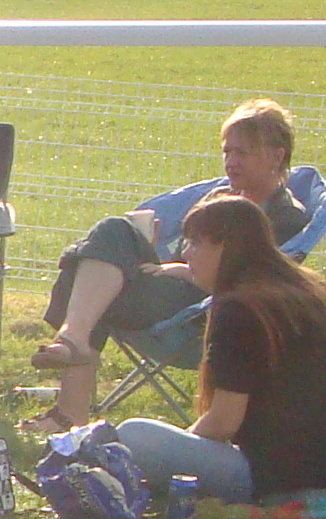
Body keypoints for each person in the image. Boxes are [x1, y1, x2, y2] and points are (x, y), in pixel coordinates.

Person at [31, 98, 310, 424]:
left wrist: (182, 271)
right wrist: (153, 250)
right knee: (109, 243)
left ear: (276, 156)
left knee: (91, 271)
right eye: (227, 151)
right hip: (171, 287)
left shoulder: (284, 217)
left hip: (199, 310)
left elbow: (254, 283)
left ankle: (70, 400)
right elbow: (188, 251)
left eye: (242, 153)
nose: (231, 161)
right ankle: (73, 347)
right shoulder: (220, 197)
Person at [91, 191, 326, 504]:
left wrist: (183, 449)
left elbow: (224, 422)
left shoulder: (239, 308)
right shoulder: (304, 288)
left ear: (226, 247)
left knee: (134, 436)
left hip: (283, 478)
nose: (186, 253)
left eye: (195, 243)